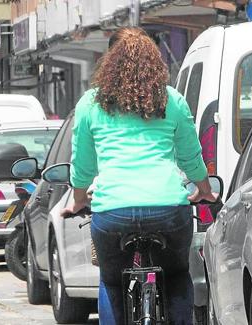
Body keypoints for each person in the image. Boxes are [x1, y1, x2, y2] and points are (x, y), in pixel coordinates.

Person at [62, 27, 216, 325]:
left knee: (111, 280)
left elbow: (82, 166)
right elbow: (190, 157)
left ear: (109, 63)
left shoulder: (90, 104)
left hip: (112, 212)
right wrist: (204, 189)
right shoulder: (172, 100)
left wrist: (78, 199)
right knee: (176, 275)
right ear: (154, 63)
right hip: (168, 208)